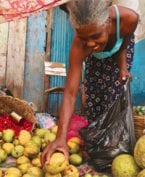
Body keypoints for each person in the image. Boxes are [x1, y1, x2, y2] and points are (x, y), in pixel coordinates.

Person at [41, 0, 139, 165]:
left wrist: (122, 66)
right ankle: (97, 149)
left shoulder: (129, 18)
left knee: (113, 99)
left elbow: (126, 40)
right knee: (94, 99)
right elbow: (71, 93)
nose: (91, 44)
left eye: (95, 36)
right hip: (97, 59)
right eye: (83, 37)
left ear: (107, 22)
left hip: (119, 51)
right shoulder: (81, 45)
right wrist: (60, 138)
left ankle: (114, 151)